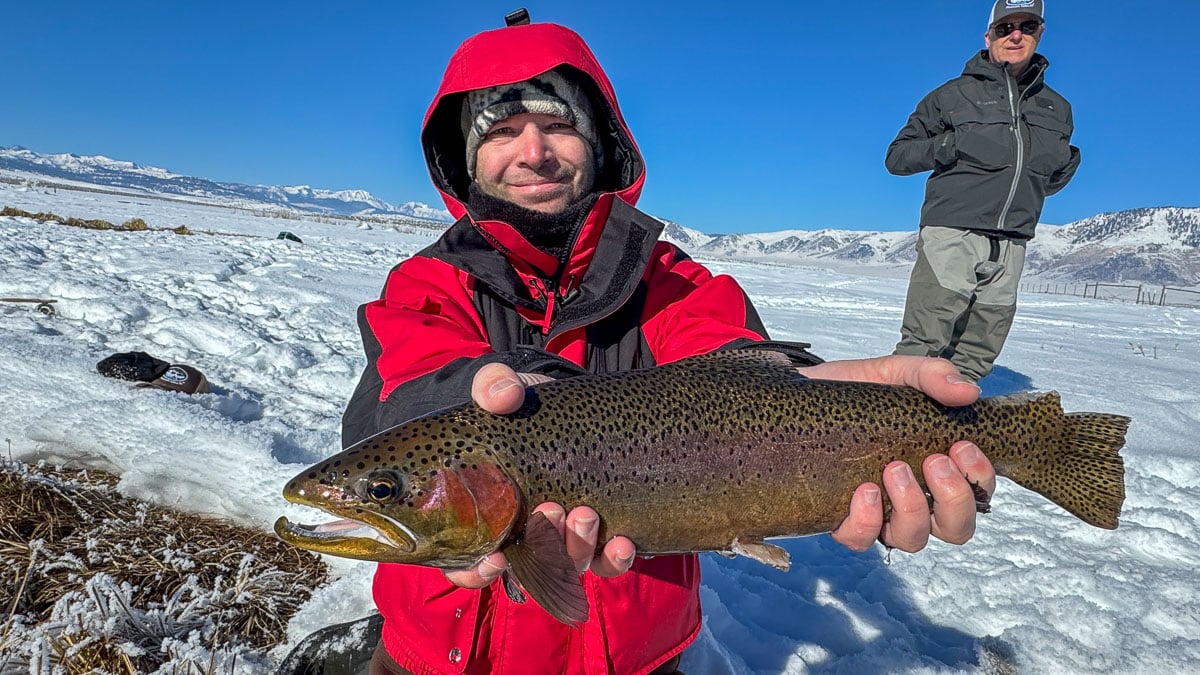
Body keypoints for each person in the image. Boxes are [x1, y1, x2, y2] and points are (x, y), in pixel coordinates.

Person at [338, 15, 996, 675]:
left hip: (633, 654)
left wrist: (833, 410)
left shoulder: (673, 282)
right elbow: (398, 402)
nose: (533, 150)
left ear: (602, 142)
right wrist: (480, 397)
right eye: (502, 131)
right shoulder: (423, 286)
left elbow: (732, 366)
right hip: (440, 652)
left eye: (558, 125)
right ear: (464, 158)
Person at [885, 0, 1080, 383]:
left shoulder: (1057, 109)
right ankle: (893, 434)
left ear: (1040, 33)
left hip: (1013, 242)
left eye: (1027, 25)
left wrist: (1065, 165)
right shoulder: (951, 96)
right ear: (988, 35)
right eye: (1005, 28)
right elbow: (897, 157)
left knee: (978, 353)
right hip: (953, 234)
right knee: (924, 345)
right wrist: (952, 145)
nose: (1016, 35)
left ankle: (949, 430)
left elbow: (1047, 180)